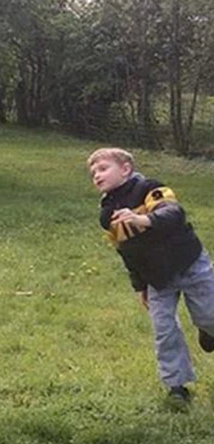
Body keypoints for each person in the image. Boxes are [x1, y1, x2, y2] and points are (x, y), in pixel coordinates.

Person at [88, 148, 214, 406]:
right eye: (93, 173)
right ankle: (177, 387)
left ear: (125, 169)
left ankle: (207, 329)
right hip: (157, 279)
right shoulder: (107, 214)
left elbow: (173, 213)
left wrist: (143, 219)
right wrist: (139, 285)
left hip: (188, 263)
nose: (97, 176)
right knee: (164, 330)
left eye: (102, 169)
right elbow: (125, 250)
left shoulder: (150, 189)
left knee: (209, 315)